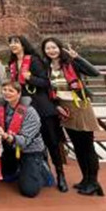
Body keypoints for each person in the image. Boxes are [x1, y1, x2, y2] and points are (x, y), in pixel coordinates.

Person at [42, 37, 104, 196]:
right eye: (48, 48)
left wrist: (77, 57)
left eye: (54, 47)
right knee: (77, 145)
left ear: (60, 48)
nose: (51, 51)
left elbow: (94, 73)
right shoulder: (48, 67)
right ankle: (85, 179)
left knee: (87, 146)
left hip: (80, 107)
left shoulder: (71, 62)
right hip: (64, 108)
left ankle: (94, 182)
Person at [7, 35, 66, 192]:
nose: (13, 45)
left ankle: (61, 175)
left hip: (40, 105)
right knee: (31, 140)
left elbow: (46, 82)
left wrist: (30, 78)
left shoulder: (33, 60)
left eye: (16, 42)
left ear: (23, 44)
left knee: (51, 142)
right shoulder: (12, 63)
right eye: (11, 43)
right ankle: (42, 172)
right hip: (22, 107)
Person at [0, 80, 48, 198]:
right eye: (4, 90)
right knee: (4, 176)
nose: (7, 93)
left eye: (11, 91)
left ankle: (42, 169)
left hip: (29, 150)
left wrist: (5, 135)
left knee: (29, 191)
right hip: (9, 148)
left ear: (19, 94)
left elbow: (24, 141)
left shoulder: (30, 112)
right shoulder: (2, 107)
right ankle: (16, 168)